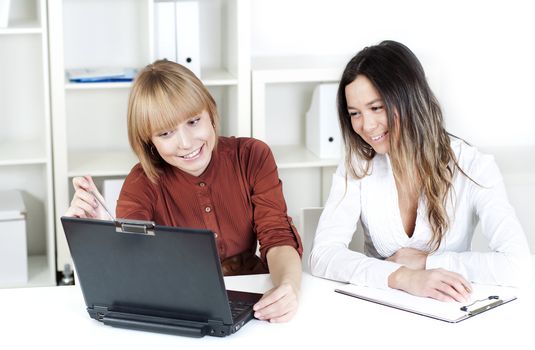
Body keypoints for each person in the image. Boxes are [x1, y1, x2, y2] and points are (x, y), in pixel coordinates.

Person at [65, 60, 303, 323]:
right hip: (179, 305)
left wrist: (289, 287)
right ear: (149, 141)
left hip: (252, 297)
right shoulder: (141, 182)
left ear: (210, 112)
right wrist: (101, 232)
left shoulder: (252, 156)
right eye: (165, 133)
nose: (186, 143)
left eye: (193, 121)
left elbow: (277, 235)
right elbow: (132, 266)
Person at [310, 40, 532, 302]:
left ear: (409, 97)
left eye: (376, 107)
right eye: (354, 113)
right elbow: (323, 256)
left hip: (450, 310)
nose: (366, 125)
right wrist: (403, 276)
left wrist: (427, 262)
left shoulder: (473, 166)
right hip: (381, 308)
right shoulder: (358, 164)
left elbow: (518, 266)